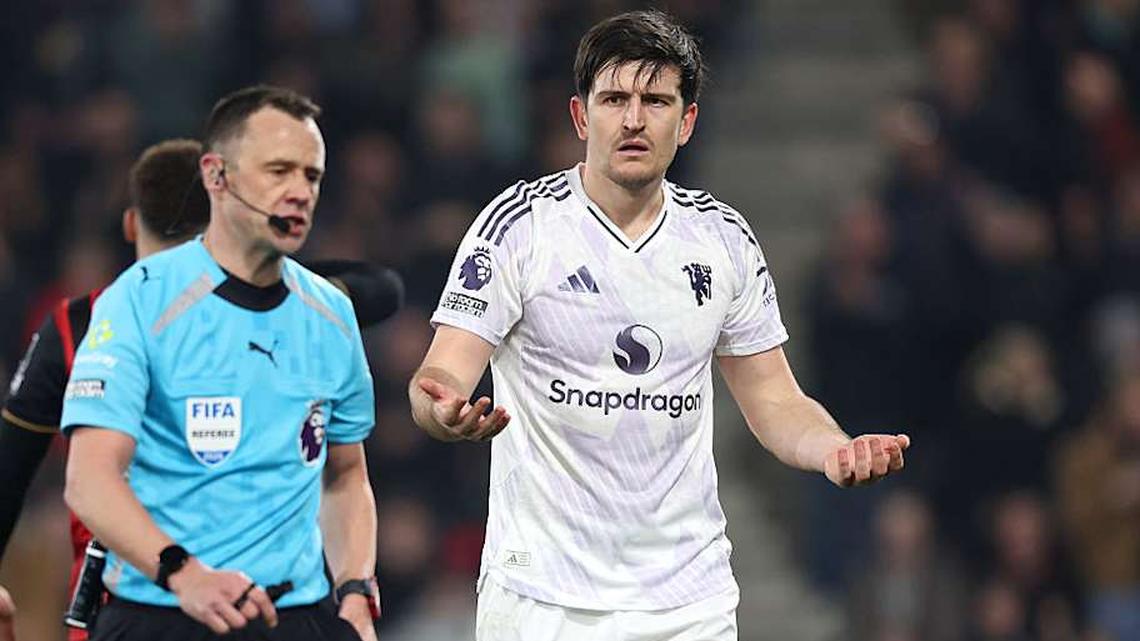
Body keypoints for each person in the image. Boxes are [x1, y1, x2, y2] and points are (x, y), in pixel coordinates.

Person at [409, 10, 910, 640]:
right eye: (615, 98)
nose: (634, 119)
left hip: (686, 602)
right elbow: (440, 374)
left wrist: (833, 449)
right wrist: (444, 411)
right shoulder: (520, 228)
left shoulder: (722, 240)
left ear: (688, 120)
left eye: (656, 100)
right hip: (543, 598)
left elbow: (775, 400)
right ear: (580, 116)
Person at [0, 138, 402, 640]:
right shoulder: (292, 309)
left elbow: (10, 466)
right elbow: (383, 289)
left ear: (132, 225)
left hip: (128, 606)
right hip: (238, 605)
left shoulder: (75, 326)